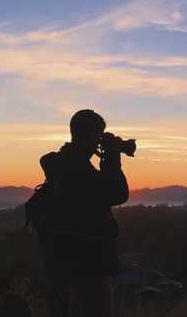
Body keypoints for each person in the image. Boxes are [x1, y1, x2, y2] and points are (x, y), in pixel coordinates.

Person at [38, 109, 130, 317]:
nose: (100, 143)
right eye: (98, 137)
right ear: (90, 137)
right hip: (90, 262)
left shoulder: (62, 164)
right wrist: (112, 157)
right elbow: (117, 193)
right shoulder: (77, 169)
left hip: (60, 261)